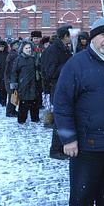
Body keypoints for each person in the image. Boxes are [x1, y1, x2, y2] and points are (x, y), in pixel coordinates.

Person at [54, 18, 104, 206]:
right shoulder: (76, 64)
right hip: (88, 146)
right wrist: (68, 138)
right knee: (82, 197)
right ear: (93, 38)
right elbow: (62, 104)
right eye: (102, 35)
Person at [41, 25, 73, 159]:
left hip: (64, 87)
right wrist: (69, 65)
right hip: (58, 88)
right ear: (65, 36)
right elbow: (50, 72)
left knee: (63, 119)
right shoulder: (53, 50)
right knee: (59, 120)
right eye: (70, 35)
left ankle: (61, 147)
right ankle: (55, 150)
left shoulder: (64, 48)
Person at [10, 41, 42, 124]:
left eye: (29, 48)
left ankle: (35, 118)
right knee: (24, 103)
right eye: (26, 48)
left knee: (34, 102)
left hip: (34, 84)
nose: (28, 50)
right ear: (22, 49)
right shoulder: (18, 59)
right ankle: (21, 120)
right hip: (23, 85)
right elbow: (14, 72)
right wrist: (14, 84)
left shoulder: (34, 58)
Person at [4, 39, 20, 117]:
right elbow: (10, 69)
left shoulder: (14, 54)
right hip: (10, 78)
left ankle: (12, 110)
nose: (17, 46)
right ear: (12, 47)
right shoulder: (13, 55)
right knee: (12, 95)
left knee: (13, 95)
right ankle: (10, 112)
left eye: (18, 44)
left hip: (10, 77)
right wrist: (11, 79)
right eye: (15, 45)